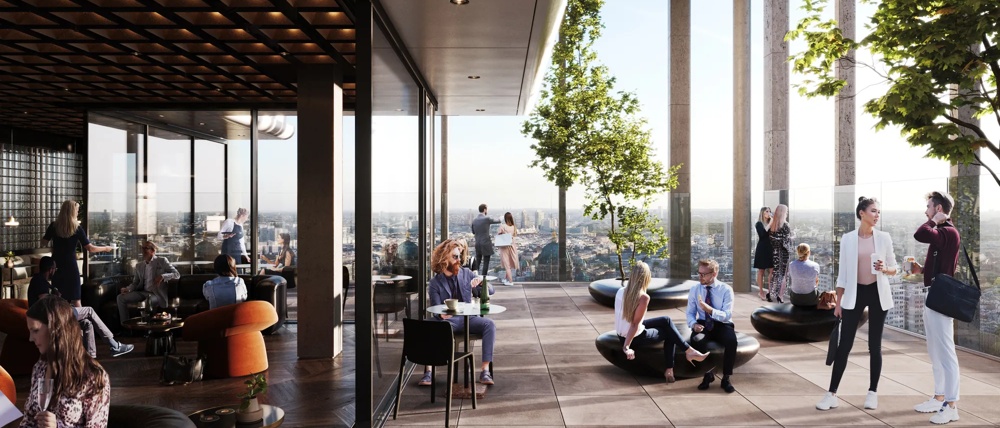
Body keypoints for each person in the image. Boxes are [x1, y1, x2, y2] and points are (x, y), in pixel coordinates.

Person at [816, 196, 897, 412]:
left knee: (875, 346)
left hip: (878, 294)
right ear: (861, 212)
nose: (877, 215)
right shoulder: (848, 239)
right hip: (855, 293)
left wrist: (884, 268)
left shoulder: (884, 237)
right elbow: (842, 274)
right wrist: (839, 303)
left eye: (879, 211)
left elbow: (894, 268)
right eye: (873, 211)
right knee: (844, 346)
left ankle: (872, 392)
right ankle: (831, 394)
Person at [910, 191, 961, 424]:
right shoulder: (943, 234)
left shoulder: (947, 231)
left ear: (939, 208)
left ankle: (951, 405)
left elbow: (920, 233)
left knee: (946, 352)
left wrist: (934, 220)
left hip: (941, 298)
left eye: (929, 207)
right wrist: (922, 270)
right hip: (934, 295)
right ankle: (939, 396)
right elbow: (942, 263)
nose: (926, 211)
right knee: (935, 351)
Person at [23, 296, 111, 427]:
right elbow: (28, 421)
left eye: (35, 330)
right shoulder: (40, 367)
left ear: (56, 329)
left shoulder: (93, 376)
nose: (31, 338)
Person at [420, 239, 497, 386]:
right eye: (454, 257)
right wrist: (441, 315)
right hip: (448, 321)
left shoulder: (467, 273)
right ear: (444, 258)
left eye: (459, 257)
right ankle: (428, 372)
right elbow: (435, 307)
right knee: (428, 327)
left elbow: (491, 291)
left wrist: (481, 282)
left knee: (489, 325)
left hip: (469, 319)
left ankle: (485, 371)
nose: (458, 260)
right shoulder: (435, 283)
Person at [619, 261, 709, 383]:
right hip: (636, 337)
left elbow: (627, 320)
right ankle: (676, 363)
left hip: (622, 333)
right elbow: (634, 324)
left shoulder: (621, 291)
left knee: (666, 320)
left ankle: (688, 353)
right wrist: (626, 347)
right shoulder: (643, 297)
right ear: (646, 277)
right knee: (669, 332)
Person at [28, 257, 134, 359]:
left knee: (87, 324)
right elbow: (44, 299)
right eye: (55, 269)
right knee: (89, 311)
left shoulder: (43, 281)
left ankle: (90, 357)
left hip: (57, 314)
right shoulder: (39, 281)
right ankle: (114, 345)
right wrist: (58, 299)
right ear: (51, 269)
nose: (55, 271)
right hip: (52, 316)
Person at [40, 200, 114, 307]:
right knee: (76, 300)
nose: (78, 213)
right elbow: (90, 248)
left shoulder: (54, 226)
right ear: (72, 212)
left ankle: (60, 323)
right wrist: (106, 248)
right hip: (71, 267)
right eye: (77, 210)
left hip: (56, 267)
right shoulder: (76, 228)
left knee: (58, 300)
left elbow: (43, 243)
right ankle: (80, 323)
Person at [686, 259, 738, 393]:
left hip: (722, 323)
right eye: (699, 273)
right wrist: (694, 324)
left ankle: (726, 377)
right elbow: (690, 313)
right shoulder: (695, 289)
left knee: (731, 341)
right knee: (696, 340)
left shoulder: (726, 289)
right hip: (703, 323)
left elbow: (727, 315)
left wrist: (710, 310)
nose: (700, 277)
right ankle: (707, 375)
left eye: (704, 274)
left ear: (714, 274)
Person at [117, 241, 180, 326]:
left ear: (153, 251)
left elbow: (177, 274)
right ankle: (125, 326)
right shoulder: (139, 265)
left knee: (147, 302)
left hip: (156, 294)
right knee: (120, 298)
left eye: (145, 248)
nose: (143, 251)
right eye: (142, 248)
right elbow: (135, 283)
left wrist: (163, 276)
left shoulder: (162, 261)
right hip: (143, 292)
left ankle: (148, 328)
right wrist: (128, 289)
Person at [767, 204, 793, 303]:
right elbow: (786, 242)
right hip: (783, 253)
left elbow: (773, 240)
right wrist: (792, 238)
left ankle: (772, 293)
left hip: (775, 252)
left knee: (775, 273)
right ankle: (780, 295)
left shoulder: (773, 225)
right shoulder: (786, 225)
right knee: (783, 274)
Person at [470, 204, 501, 276]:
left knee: (478, 262)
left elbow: (473, 232)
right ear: (484, 209)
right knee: (486, 262)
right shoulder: (487, 219)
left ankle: (475, 277)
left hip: (477, 244)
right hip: (486, 243)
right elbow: (498, 221)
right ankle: (484, 279)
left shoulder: (474, 221)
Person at [787, 243, 821, 308]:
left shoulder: (791, 265)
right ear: (809, 252)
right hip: (811, 300)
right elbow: (816, 282)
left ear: (797, 252)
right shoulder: (815, 265)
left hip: (795, 299)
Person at [753, 207, 774, 300]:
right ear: (762, 213)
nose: (769, 213)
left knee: (772, 270)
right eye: (767, 211)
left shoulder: (772, 223)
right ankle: (761, 291)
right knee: (761, 271)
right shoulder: (759, 224)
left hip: (770, 248)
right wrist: (770, 223)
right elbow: (762, 235)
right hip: (762, 248)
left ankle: (770, 291)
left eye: (770, 211)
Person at [497, 212, 519, 286]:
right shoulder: (513, 226)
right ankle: (506, 279)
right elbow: (514, 235)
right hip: (512, 246)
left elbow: (498, 234)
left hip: (504, 247)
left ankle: (510, 281)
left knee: (506, 265)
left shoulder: (503, 226)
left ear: (505, 219)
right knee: (509, 264)